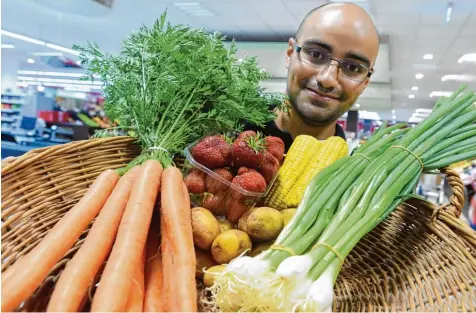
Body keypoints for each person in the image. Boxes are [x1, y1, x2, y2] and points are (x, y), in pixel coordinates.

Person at [247, 2, 380, 151]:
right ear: (290, 54)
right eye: (316, 54)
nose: (327, 79)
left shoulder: (355, 172)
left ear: (365, 82)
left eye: (352, 68)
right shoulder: (226, 127)